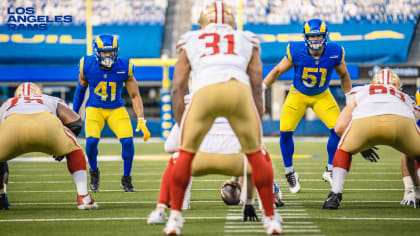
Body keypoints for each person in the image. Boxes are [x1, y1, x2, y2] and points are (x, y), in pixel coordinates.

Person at [164, 2, 282, 235]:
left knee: (184, 154)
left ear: (202, 25)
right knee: (257, 154)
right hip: (237, 91)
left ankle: (174, 219)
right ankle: (270, 218)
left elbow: (177, 86)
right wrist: (256, 115)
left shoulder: (191, 39)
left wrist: (182, 125)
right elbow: (257, 84)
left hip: (204, 93)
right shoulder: (246, 38)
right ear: (231, 23)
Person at [147, 96, 284, 225]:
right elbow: (252, 140)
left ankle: (167, 210)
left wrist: (189, 146)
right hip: (234, 161)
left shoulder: (192, 100)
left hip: (198, 161)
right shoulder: (241, 97)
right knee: (259, 156)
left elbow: (169, 146)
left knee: (178, 157)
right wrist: (247, 201)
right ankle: (269, 209)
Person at [263, 18, 352, 193]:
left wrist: (350, 98)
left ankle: (330, 169)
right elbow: (278, 71)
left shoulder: (335, 51)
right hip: (298, 94)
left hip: (322, 95)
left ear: (325, 36)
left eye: (319, 36)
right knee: (285, 130)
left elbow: (344, 76)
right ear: (306, 38)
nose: (316, 40)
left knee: (338, 129)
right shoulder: (296, 50)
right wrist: (262, 88)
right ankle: (290, 172)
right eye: (312, 37)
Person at [322, 69, 420, 209]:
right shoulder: (404, 96)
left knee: (343, 149)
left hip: (365, 121)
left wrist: (361, 145)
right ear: (397, 85)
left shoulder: (360, 91)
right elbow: (415, 117)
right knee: (415, 153)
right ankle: (417, 191)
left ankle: (335, 194)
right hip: (400, 121)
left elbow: (338, 128)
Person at [0, 82, 98, 210]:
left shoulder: (8, 102)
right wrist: (64, 147)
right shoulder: (49, 98)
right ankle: (84, 197)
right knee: (75, 148)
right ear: (38, 93)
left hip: (11, 126)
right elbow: (76, 122)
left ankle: (1, 196)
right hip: (46, 124)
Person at [73, 34, 150, 193]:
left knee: (128, 141)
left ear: (116, 51)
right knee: (92, 142)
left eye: (111, 52)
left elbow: (135, 95)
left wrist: (141, 119)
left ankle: (126, 178)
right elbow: (80, 90)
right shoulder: (86, 65)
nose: (108, 56)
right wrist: (73, 114)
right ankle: (94, 171)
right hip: (95, 108)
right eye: (104, 52)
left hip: (116, 108)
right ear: (97, 51)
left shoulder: (124, 66)